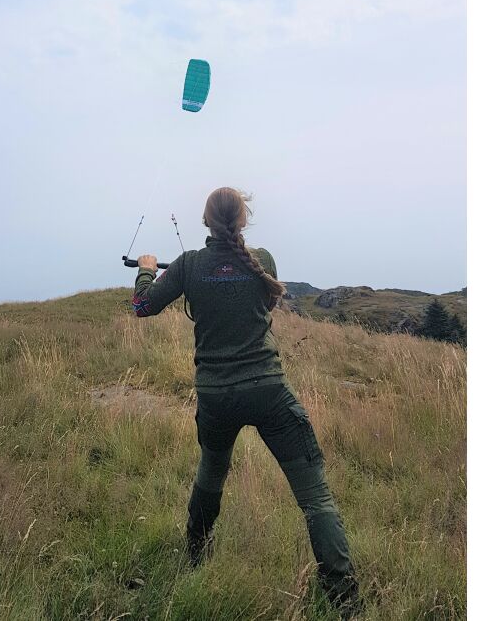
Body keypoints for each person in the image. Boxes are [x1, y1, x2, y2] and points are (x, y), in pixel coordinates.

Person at [131, 187, 361, 616]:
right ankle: (345, 598)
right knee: (315, 498)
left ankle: (197, 558)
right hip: (269, 391)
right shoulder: (264, 261)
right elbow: (260, 295)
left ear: (204, 222)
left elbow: (142, 307)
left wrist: (146, 270)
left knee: (210, 475)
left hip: (216, 397)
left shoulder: (187, 266)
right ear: (243, 220)